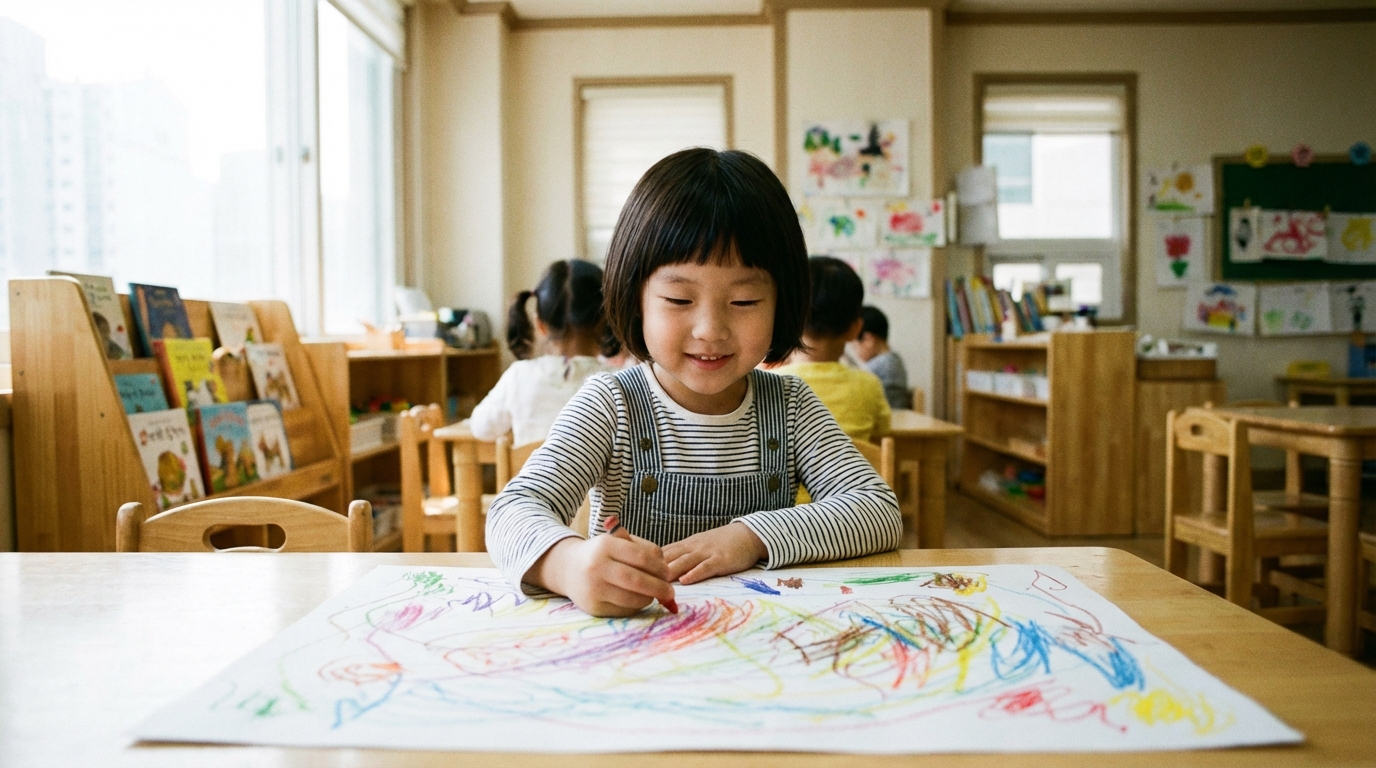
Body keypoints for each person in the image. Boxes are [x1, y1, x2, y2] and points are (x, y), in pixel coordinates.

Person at [486, 148, 902, 617]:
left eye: (744, 302)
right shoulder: (611, 403)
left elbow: (876, 510)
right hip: (639, 639)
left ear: (782, 303)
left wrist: (750, 537)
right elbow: (512, 511)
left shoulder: (791, 406)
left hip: (765, 632)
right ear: (636, 298)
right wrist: (567, 564)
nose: (710, 330)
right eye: (679, 299)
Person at [468, 259, 617, 446]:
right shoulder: (618, 381)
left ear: (539, 324)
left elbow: (481, 428)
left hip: (532, 466)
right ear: (606, 319)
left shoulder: (519, 375)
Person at [773, 258, 891, 443]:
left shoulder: (770, 385)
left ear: (789, 322)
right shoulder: (869, 385)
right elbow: (883, 431)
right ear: (856, 328)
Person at [852, 305, 912, 410]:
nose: (856, 353)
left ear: (868, 340)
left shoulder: (880, 365)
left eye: (855, 346)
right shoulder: (895, 359)